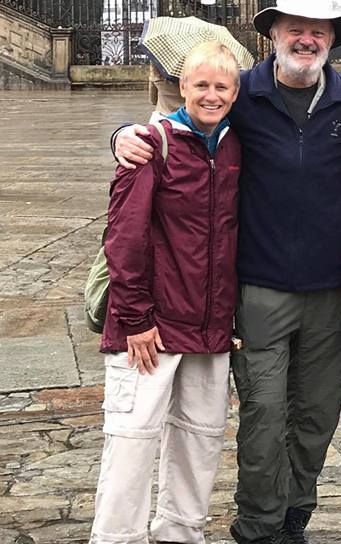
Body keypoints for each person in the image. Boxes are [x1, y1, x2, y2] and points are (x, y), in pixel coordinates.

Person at [114, 0, 341, 544]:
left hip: (331, 293)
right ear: (272, 35)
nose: (306, 39)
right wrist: (123, 136)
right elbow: (173, 128)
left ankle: (293, 517)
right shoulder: (240, 94)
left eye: (318, 31)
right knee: (262, 417)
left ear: (331, 41)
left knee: (317, 415)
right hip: (259, 289)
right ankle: (257, 525)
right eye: (294, 29)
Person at [90, 41, 242, 544]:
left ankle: (181, 533)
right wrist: (133, 318)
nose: (211, 95)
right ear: (181, 86)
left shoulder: (237, 146)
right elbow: (124, 237)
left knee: (198, 442)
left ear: (236, 91)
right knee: (132, 442)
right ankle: (118, 537)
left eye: (222, 86)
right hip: (150, 326)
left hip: (210, 326)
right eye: (201, 85)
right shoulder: (152, 144)